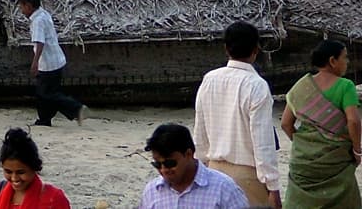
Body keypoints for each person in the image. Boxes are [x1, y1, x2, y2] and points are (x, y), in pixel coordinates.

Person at [193, 21, 281, 207]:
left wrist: (200, 169)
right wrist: (273, 186)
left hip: (213, 171)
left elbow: (200, 133)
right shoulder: (256, 85)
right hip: (248, 176)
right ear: (256, 49)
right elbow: (262, 142)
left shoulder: (209, 80)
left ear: (226, 49)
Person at [281, 40, 362, 208]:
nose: (347, 62)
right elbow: (353, 121)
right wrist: (356, 149)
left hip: (303, 162)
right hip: (336, 160)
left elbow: (285, 124)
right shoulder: (345, 86)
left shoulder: (302, 86)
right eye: (345, 58)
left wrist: (304, 144)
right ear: (332, 61)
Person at [138, 123, 249, 208]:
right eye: (157, 164)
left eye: (170, 163)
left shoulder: (224, 189)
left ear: (188, 154)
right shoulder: (152, 191)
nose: (163, 170)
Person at [18, 0, 86, 127]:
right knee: (46, 94)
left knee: (46, 94)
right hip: (56, 61)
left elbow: (40, 42)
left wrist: (35, 63)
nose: (21, 10)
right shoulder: (43, 13)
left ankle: (76, 109)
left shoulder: (37, 21)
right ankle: (44, 120)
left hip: (47, 63)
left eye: (22, 7)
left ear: (29, 6)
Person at [0, 128, 71, 209]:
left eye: (21, 172)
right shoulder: (0, 190)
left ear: (34, 167)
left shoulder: (54, 198)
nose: (14, 178)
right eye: (8, 172)